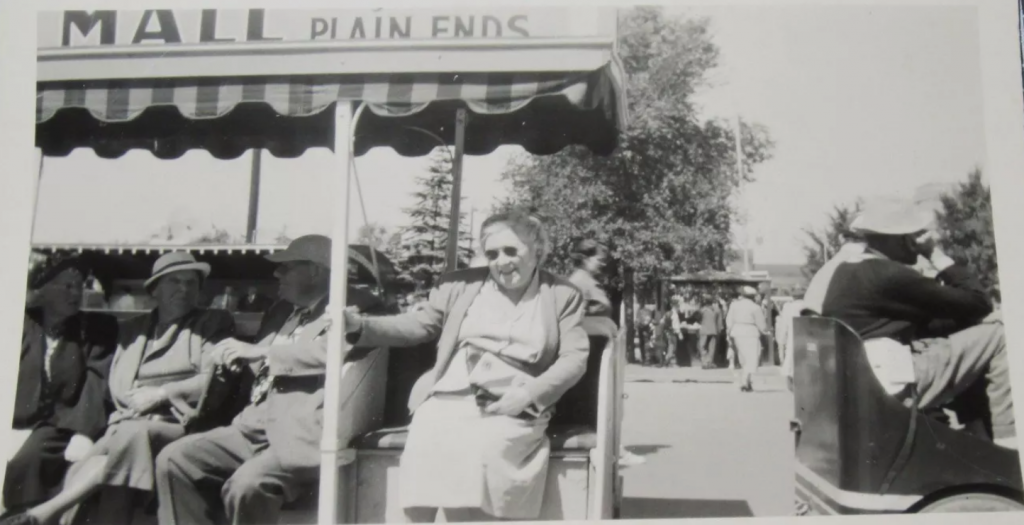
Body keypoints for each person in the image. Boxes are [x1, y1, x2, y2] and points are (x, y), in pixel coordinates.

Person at [340, 211, 590, 522]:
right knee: (427, 441)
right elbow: (419, 325)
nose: (502, 261)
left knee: (483, 448)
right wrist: (359, 325)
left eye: (512, 251)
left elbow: (574, 359)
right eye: (493, 253)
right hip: (449, 393)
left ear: (537, 249)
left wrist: (530, 393)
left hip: (513, 400)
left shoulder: (562, 295)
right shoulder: (460, 285)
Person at [154, 235, 382, 525]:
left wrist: (261, 351)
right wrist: (233, 362)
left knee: (247, 485)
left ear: (315, 270)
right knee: (174, 459)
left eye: (286, 267)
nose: (276, 274)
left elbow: (335, 349)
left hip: (303, 428)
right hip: (253, 424)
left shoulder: (358, 306)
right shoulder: (281, 310)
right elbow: (260, 366)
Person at [1, 253, 235, 525]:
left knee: (127, 439)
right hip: (128, 422)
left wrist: (162, 393)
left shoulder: (213, 322)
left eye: (191, 283)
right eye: (175, 281)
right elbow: (117, 383)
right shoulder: (131, 329)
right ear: (154, 289)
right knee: (85, 465)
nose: (184, 289)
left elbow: (216, 378)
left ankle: (46, 513)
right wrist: (130, 407)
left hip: (181, 423)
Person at [811, 202, 1015, 449]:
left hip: (866, 376)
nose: (918, 241)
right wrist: (934, 254)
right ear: (901, 240)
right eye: (914, 235)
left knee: (970, 345)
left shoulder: (849, 271)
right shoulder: (890, 274)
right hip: (891, 383)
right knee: (1001, 336)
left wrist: (975, 321)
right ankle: (1009, 443)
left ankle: (978, 438)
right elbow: (979, 302)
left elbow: (935, 322)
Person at [3, 253, 118, 519]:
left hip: (61, 426)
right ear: (42, 289)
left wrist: (83, 432)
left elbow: (96, 382)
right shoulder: (18, 323)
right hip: (15, 423)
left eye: (79, 285)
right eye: (66, 285)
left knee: (27, 461)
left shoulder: (95, 328)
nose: (75, 292)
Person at [726, 286, 768, 392]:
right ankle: (745, 381)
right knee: (752, 357)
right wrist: (765, 331)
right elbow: (761, 324)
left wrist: (729, 332)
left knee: (743, 357)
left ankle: (746, 381)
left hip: (737, 331)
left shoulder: (734, 305)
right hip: (750, 332)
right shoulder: (755, 307)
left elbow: (729, 320)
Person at [567, 239, 613, 318]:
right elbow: (573, 318)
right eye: (600, 260)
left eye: (604, 261)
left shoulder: (590, 282)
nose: (604, 264)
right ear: (585, 259)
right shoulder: (579, 282)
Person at [776, 290, 807, 387]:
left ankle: (791, 382)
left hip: (792, 335)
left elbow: (784, 325)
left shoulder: (788, 307)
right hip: (806, 335)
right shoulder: (807, 305)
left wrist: (781, 340)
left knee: (790, 358)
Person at [698, 294, 723, 369]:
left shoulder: (702, 310)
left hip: (704, 330)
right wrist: (719, 331)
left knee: (702, 346)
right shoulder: (717, 310)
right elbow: (720, 322)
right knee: (711, 347)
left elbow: (698, 320)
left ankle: (704, 362)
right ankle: (710, 362)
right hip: (713, 330)